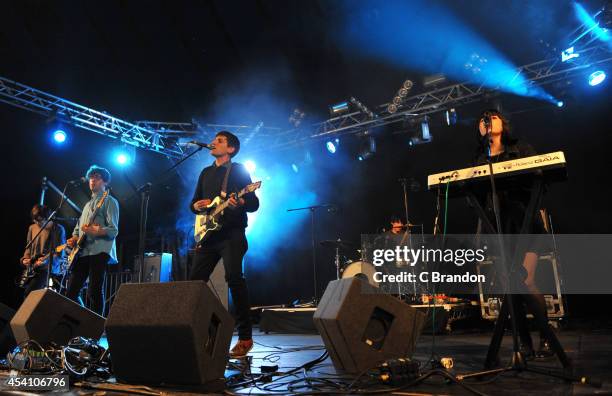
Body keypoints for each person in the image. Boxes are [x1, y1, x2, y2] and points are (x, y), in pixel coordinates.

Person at [474, 109, 566, 365]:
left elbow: (540, 178)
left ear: (503, 124)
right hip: (499, 228)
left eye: (491, 117)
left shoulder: (521, 148)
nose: (486, 121)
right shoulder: (481, 158)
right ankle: (524, 344)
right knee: (509, 287)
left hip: (525, 224)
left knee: (524, 280)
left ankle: (546, 336)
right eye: (482, 120)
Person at [190, 131, 259, 358]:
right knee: (193, 283)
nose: (213, 142)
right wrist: (196, 206)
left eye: (220, 141)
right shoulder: (205, 172)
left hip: (232, 233)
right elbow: (193, 202)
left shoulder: (238, 170)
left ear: (231, 149)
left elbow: (253, 203)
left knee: (234, 278)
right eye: (215, 139)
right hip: (209, 235)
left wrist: (240, 201)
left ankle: (245, 337)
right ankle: (202, 331)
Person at [65, 165, 119, 316]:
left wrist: (97, 231)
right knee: (71, 292)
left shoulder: (110, 201)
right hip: (83, 252)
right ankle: (78, 324)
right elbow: (78, 228)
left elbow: (114, 230)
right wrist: (74, 238)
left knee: (94, 291)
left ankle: (95, 329)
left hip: (100, 250)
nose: (92, 180)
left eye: (97, 177)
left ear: (105, 181)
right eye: (91, 177)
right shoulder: (87, 205)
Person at [19, 204, 66, 297]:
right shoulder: (32, 228)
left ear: (48, 218)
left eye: (39, 220)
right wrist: (25, 259)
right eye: (35, 220)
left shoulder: (58, 229)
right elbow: (28, 247)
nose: (37, 223)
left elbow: (60, 254)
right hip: (32, 268)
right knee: (21, 294)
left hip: (47, 269)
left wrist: (46, 261)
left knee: (30, 294)